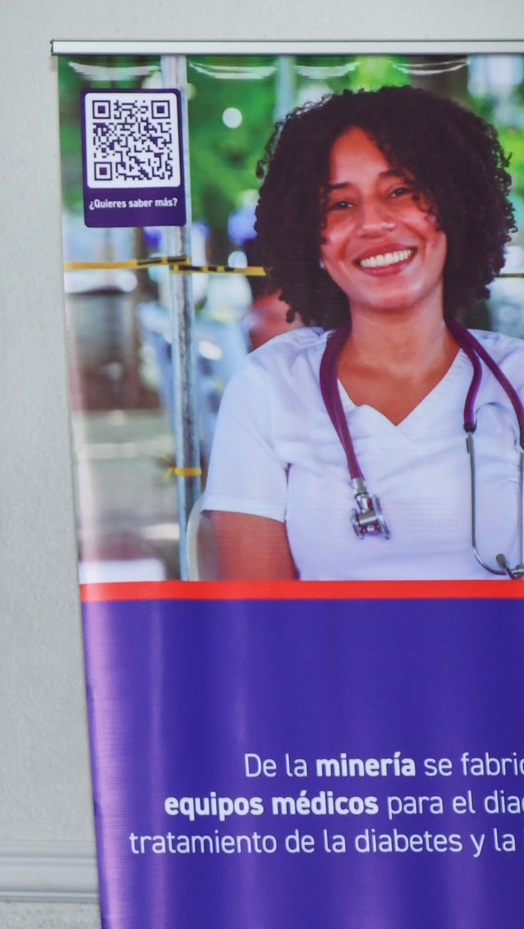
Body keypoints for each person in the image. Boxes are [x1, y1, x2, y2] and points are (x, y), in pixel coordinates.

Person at [201, 86, 524, 580]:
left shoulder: (516, 379)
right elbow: (259, 615)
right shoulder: (270, 387)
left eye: (400, 191)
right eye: (340, 204)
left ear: (456, 203)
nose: (373, 223)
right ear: (311, 237)